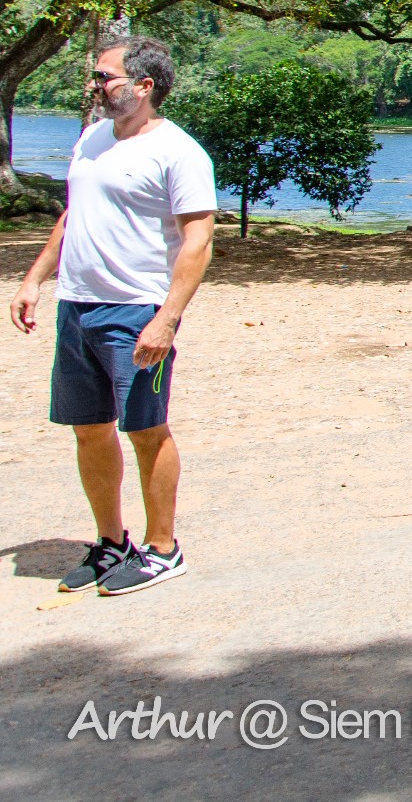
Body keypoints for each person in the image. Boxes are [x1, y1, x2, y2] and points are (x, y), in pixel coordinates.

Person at [9, 36, 217, 596]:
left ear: (144, 86)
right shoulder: (93, 138)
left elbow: (198, 241)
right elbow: (73, 215)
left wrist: (167, 317)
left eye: (106, 77)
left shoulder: (179, 152)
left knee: (145, 429)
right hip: (77, 307)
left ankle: (163, 549)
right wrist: (34, 279)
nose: (96, 86)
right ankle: (111, 542)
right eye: (97, 77)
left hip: (136, 311)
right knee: (89, 429)